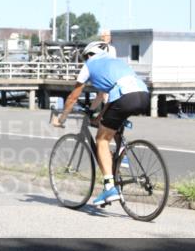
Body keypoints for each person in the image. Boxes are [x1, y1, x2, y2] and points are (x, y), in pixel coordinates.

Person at [52, 40, 150, 206]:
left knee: (101, 140)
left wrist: (61, 119)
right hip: (143, 94)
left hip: (124, 97)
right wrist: (99, 116)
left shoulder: (89, 65)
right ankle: (119, 161)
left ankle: (109, 187)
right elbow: (105, 96)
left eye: (85, 57)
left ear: (90, 55)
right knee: (111, 125)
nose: (85, 60)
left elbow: (73, 97)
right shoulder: (115, 62)